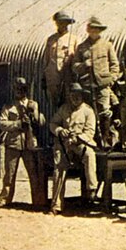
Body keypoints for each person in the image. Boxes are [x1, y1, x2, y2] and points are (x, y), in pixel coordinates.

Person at [49, 83, 97, 214]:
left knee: (89, 154)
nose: (75, 98)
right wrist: (60, 130)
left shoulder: (88, 111)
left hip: (80, 143)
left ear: (82, 96)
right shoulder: (64, 109)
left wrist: (77, 138)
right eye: (72, 95)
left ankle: (91, 188)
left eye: (78, 95)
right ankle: (56, 204)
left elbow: (90, 132)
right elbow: (53, 123)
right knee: (59, 166)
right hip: (65, 144)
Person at [71, 17, 120, 147]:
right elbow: (74, 66)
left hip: (102, 85)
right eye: (92, 28)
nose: (94, 31)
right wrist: (83, 65)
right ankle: (89, 140)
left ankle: (105, 139)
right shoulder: (82, 47)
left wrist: (111, 80)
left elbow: (115, 65)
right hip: (86, 85)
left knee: (104, 111)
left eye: (97, 29)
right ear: (88, 30)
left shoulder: (107, 45)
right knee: (88, 112)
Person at [0, 77, 46, 208]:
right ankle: (5, 199)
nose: (19, 91)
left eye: (22, 89)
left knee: (33, 173)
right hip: (13, 143)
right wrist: (18, 124)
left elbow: (40, 122)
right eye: (17, 89)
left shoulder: (33, 104)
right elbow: (2, 124)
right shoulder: (8, 107)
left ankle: (37, 201)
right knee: (9, 174)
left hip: (29, 143)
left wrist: (33, 114)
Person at [42, 11, 79, 110]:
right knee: (55, 104)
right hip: (53, 78)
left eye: (64, 22)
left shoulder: (74, 39)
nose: (62, 25)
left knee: (69, 102)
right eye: (59, 22)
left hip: (67, 76)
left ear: (68, 24)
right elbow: (46, 59)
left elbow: (77, 59)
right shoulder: (51, 39)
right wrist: (44, 76)